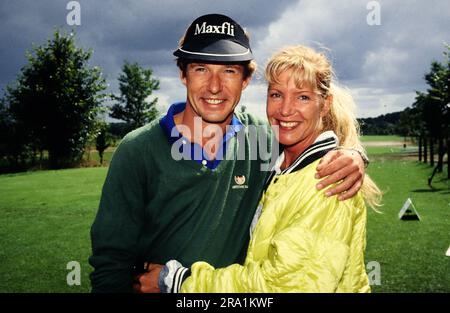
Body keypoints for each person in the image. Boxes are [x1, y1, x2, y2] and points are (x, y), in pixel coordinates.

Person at [89, 14, 367, 293]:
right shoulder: (138, 150)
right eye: (200, 69)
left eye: (229, 71)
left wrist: (351, 154)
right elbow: (110, 263)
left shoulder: (262, 138)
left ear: (246, 80)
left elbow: (309, 143)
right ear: (183, 74)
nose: (214, 86)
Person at [144, 45, 382, 293]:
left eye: (302, 97)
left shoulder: (328, 180)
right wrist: (354, 152)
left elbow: (284, 287)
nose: (285, 110)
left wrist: (178, 281)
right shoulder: (279, 160)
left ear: (324, 105)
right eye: (276, 94)